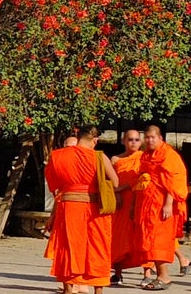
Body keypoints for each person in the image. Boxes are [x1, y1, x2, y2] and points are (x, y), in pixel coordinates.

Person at [44, 125, 118, 294]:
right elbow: (115, 182)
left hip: (69, 207)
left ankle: (68, 288)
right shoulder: (99, 157)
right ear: (95, 140)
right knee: (97, 247)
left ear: (78, 137)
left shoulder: (58, 156)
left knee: (69, 246)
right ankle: (98, 290)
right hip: (94, 209)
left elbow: (54, 185)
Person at [134, 125, 189, 290]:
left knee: (160, 240)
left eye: (153, 137)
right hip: (148, 203)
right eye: (147, 137)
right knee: (149, 240)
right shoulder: (146, 155)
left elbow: (172, 182)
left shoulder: (168, 155)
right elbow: (141, 180)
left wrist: (168, 204)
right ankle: (159, 275)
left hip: (163, 204)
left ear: (160, 138)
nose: (150, 140)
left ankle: (164, 277)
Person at [111, 128, 147, 288]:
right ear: (123, 141)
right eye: (130, 139)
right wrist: (117, 193)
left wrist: (124, 187)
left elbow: (145, 179)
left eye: (136, 139)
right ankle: (117, 273)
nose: (133, 142)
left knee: (141, 237)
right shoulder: (115, 159)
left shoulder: (145, 159)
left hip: (138, 199)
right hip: (120, 204)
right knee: (118, 237)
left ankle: (147, 273)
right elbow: (110, 181)